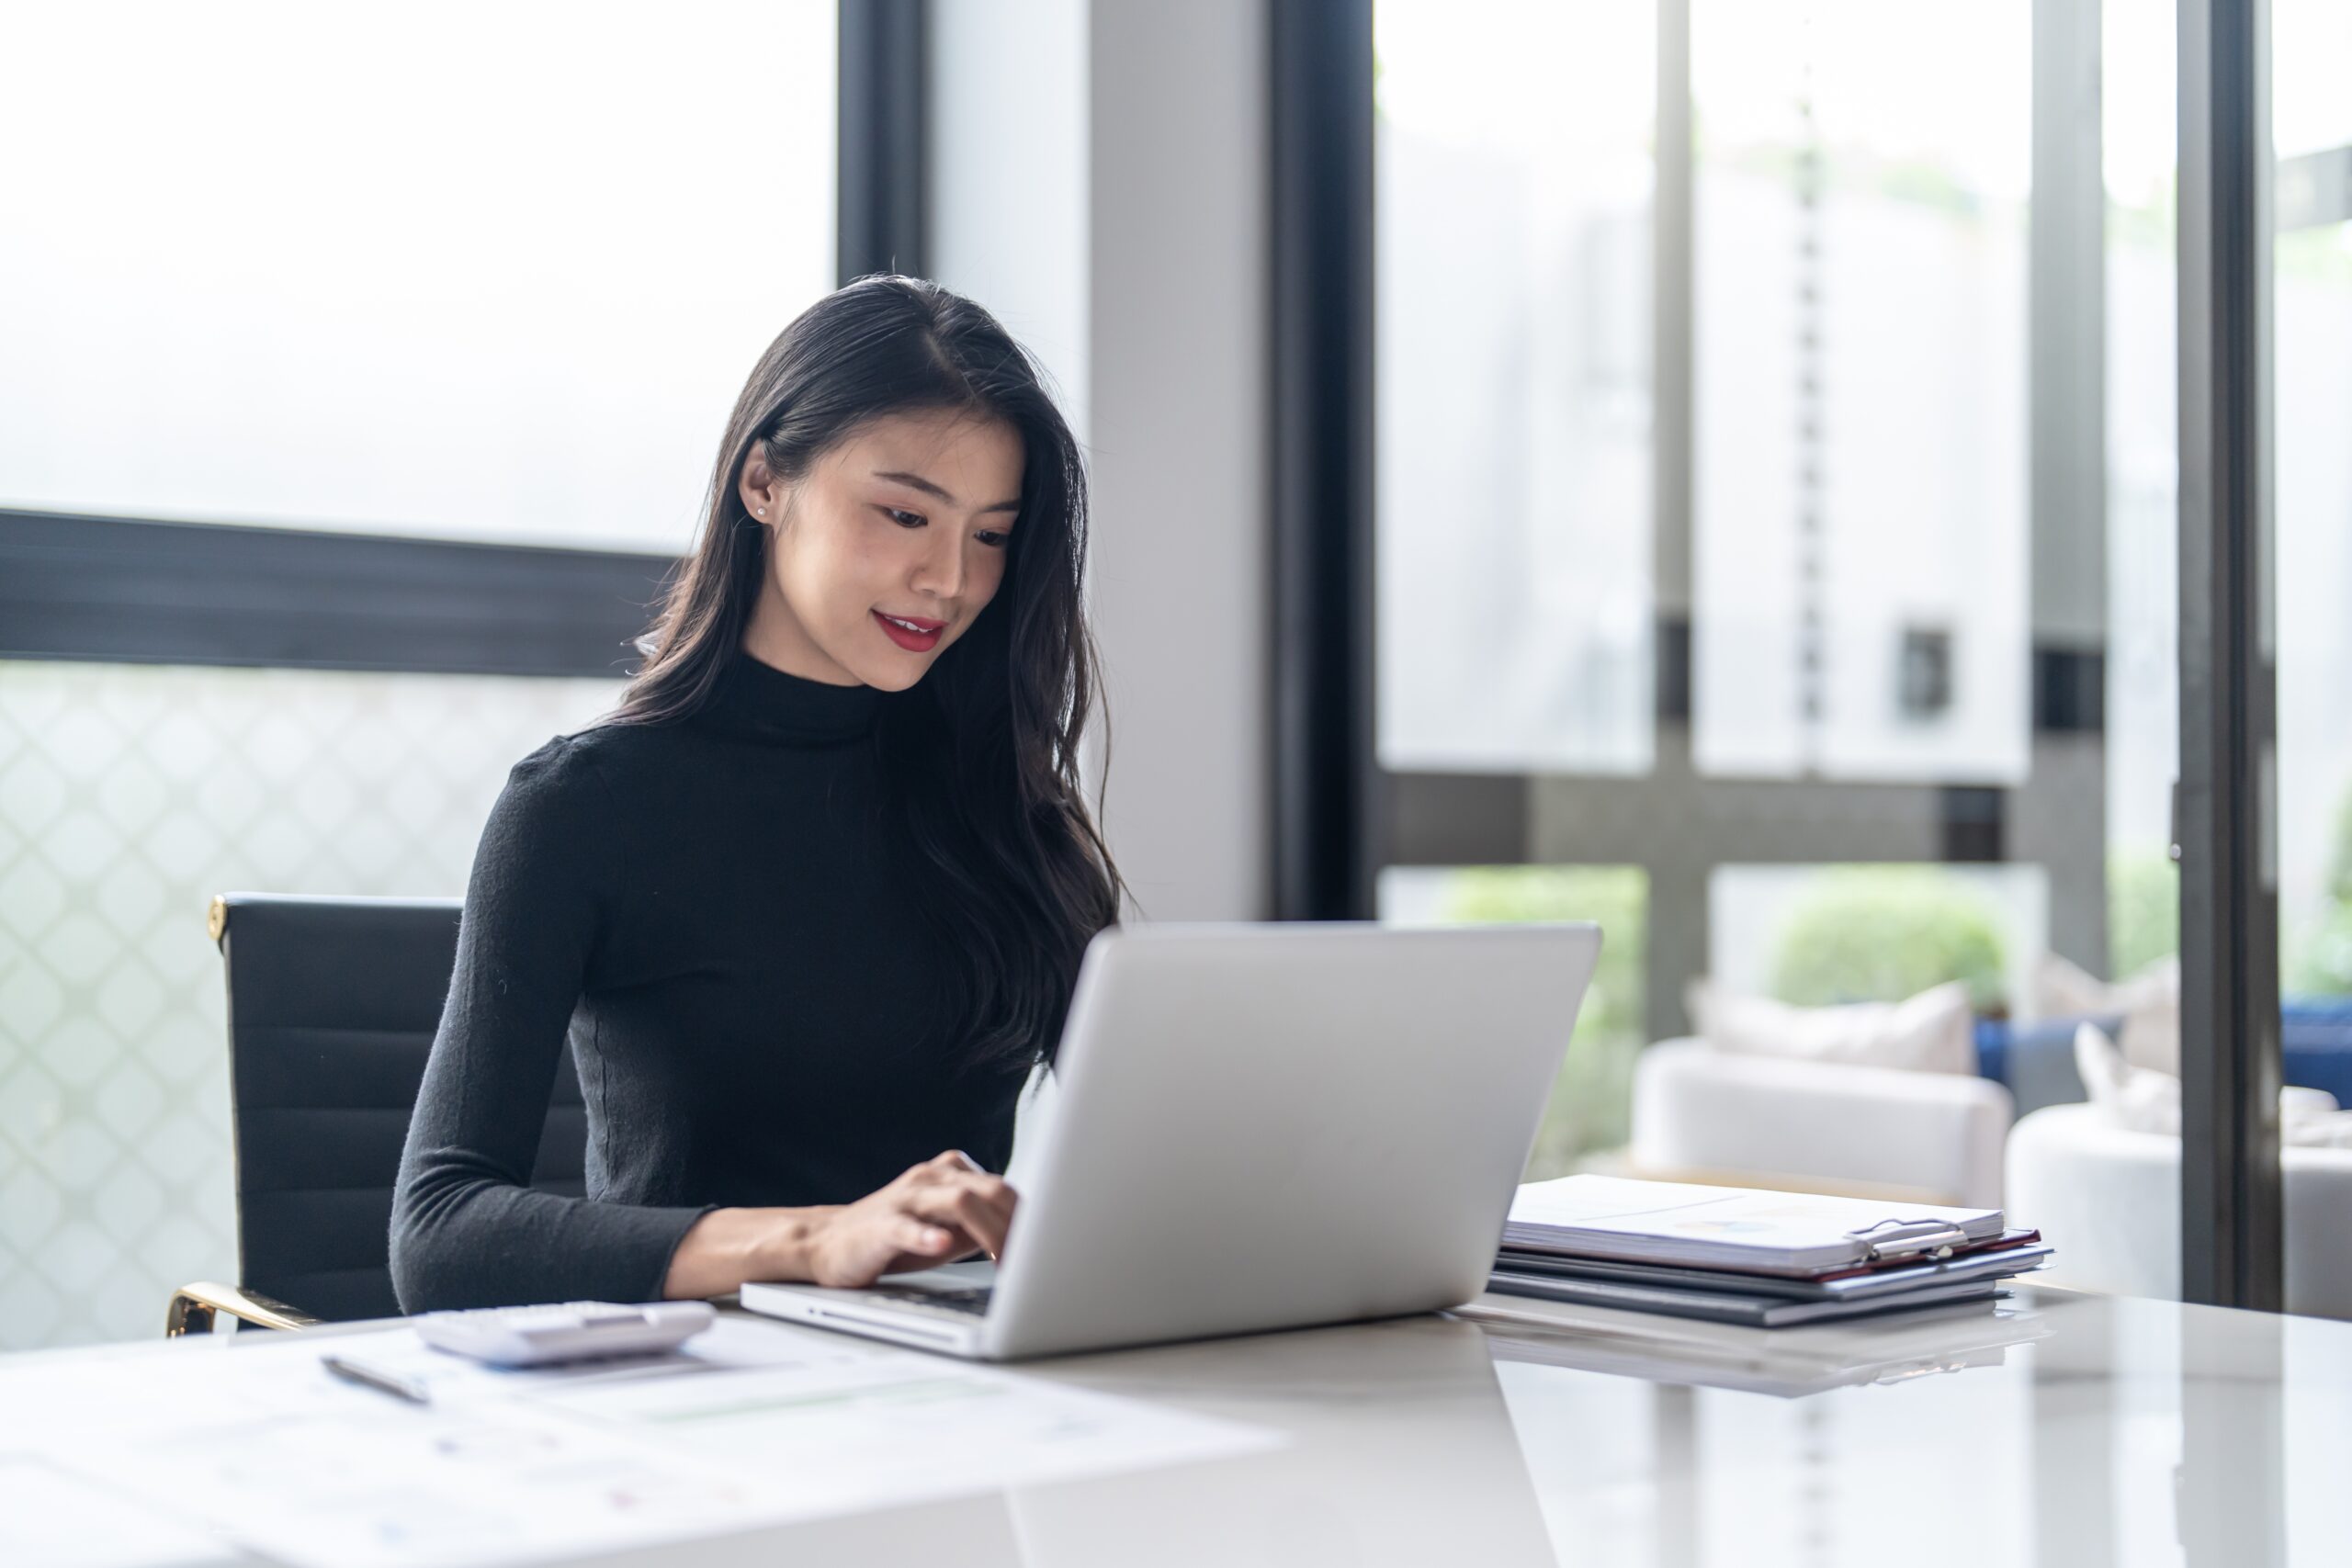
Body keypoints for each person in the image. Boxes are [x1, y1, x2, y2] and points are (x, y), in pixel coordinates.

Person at [389, 276, 1125, 1310]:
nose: (949, 578)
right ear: (764, 483)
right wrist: (817, 1242)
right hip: (696, 1403)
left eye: (991, 534)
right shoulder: (584, 809)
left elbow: (1157, 1142)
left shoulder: (1000, 803)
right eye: (905, 513)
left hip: (962, 1391)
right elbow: (440, 1234)